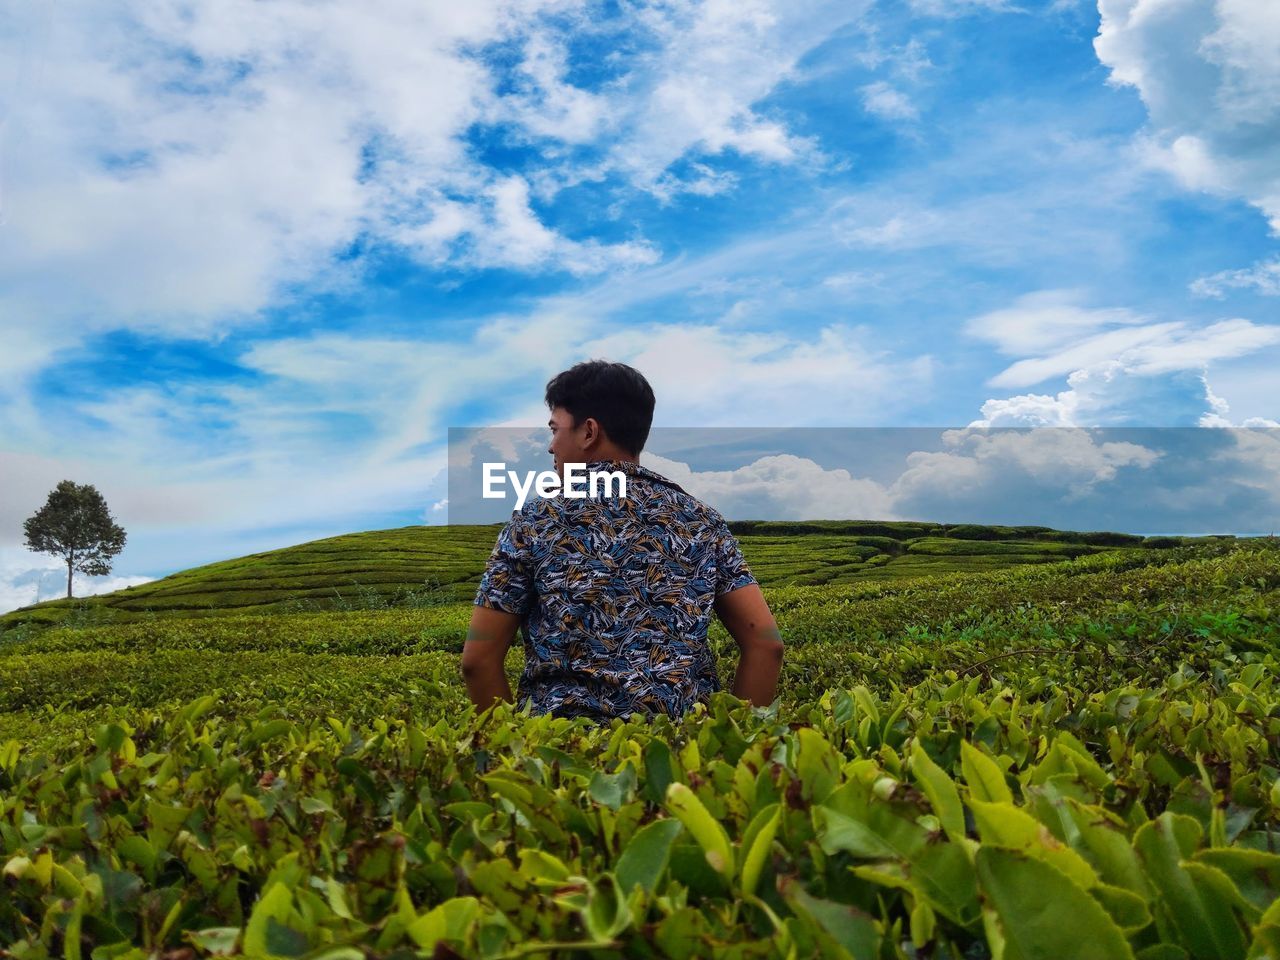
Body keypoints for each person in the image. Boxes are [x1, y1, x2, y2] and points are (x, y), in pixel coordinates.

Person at [461, 359, 784, 722]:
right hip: (681, 758)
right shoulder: (703, 519)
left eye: (555, 430)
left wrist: (516, 754)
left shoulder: (535, 519)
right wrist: (733, 744)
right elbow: (766, 643)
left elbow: (477, 661)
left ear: (589, 432)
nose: (551, 446)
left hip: (563, 759)